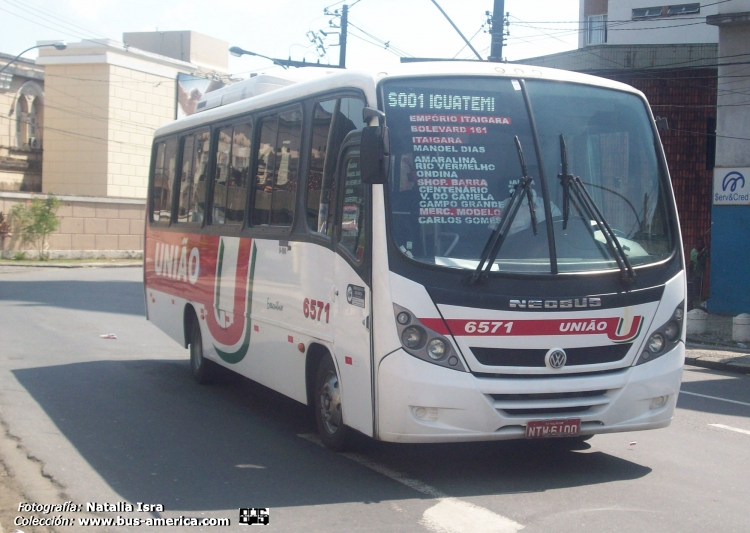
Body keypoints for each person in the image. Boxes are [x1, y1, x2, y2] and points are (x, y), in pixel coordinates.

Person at [689, 236, 709, 309]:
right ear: (697, 244)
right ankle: (694, 305)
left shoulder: (703, 251)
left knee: (700, 289)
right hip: (695, 273)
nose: (702, 245)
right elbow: (697, 257)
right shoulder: (693, 251)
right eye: (700, 244)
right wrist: (704, 249)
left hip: (701, 273)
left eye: (702, 244)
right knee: (695, 290)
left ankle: (699, 303)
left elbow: (708, 255)